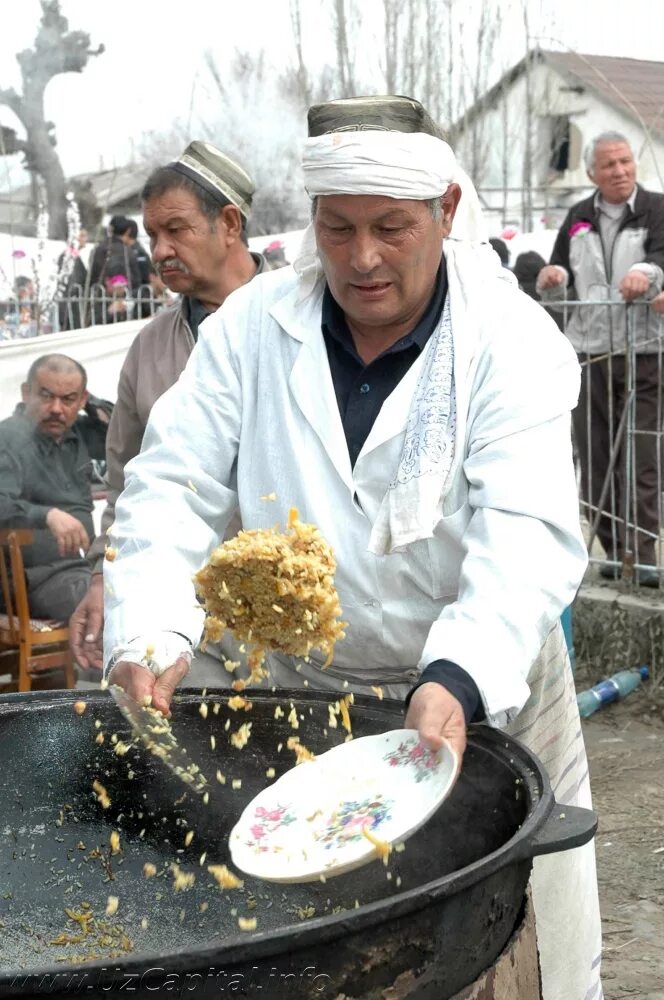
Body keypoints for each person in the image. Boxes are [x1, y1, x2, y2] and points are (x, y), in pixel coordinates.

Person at [102, 95, 601, 1000]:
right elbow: (171, 487)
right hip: (305, 682)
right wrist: (149, 631)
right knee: (306, 918)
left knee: (521, 925)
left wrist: (460, 672)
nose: (363, 258)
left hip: (479, 678)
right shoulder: (254, 328)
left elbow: (525, 529)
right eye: (338, 229)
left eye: (390, 228)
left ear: (446, 213)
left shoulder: (507, 339)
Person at [69, 140, 264, 674]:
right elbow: (125, 482)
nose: (158, 250)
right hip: (182, 608)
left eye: (176, 229)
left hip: (285, 612)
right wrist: (102, 579)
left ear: (229, 223)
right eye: (153, 234)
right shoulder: (151, 347)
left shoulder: (304, 325)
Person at [537, 131, 664, 585]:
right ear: (592, 172)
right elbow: (558, 274)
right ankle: (611, 552)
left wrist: (643, 274)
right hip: (588, 351)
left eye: (626, 162)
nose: (620, 171)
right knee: (593, 455)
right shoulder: (578, 216)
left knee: (641, 454)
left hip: (643, 350)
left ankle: (644, 555)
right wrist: (553, 277)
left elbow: (659, 259)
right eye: (609, 165)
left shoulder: (656, 208)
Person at [0, 354, 109, 621]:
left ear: (81, 400)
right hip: (33, 578)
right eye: (46, 396)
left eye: (68, 399)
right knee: (109, 602)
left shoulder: (80, 433)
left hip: (85, 568)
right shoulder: (8, 437)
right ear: (27, 393)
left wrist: (92, 403)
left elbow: (128, 429)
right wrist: (48, 515)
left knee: (149, 586)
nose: (56, 409)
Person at [88, 215, 141, 324]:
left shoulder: (97, 249)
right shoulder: (126, 252)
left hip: (97, 302)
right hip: (120, 308)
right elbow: (135, 281)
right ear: (127, 231)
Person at [123, 219, 161, 318]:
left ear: (127, 232)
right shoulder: (137, 250)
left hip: (141, 296)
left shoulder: (137, 252)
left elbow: (146, 275)